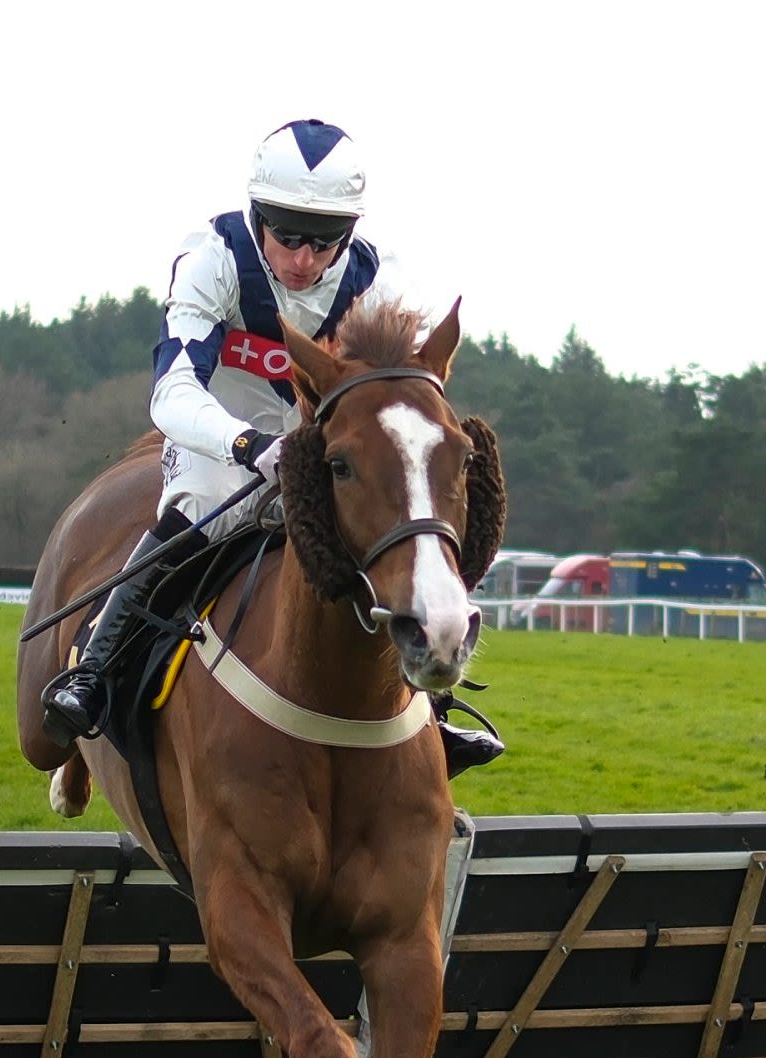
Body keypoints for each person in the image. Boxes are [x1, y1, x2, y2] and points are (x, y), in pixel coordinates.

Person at [39, 118, 503, 775]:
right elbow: (171, 391)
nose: (303, 259)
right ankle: (95, 668)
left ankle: (435, 707)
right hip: (217, 439)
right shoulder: (213, 260)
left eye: (324, 241)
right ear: (257, 215)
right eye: (286, 235)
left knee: (391, 528)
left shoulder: (383, 282)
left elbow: (405, 404)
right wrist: (245, 442)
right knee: (197, 510)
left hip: (321, 450)